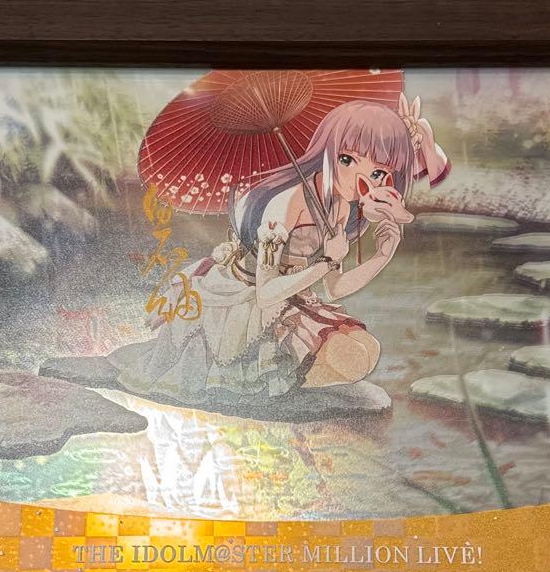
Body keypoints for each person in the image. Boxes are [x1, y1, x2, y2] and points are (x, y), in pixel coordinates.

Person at [108, 93, 449, 408]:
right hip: (246, 299)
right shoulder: (285, 204)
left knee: (367, 350)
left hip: (294, 294)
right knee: (350, 357)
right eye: (347, 159)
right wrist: (327, 261)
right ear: (327, 150)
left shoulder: (339, 207)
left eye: (377, 172)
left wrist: (382, 255)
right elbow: (266, 293)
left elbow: (335, 288)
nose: (360, 179)